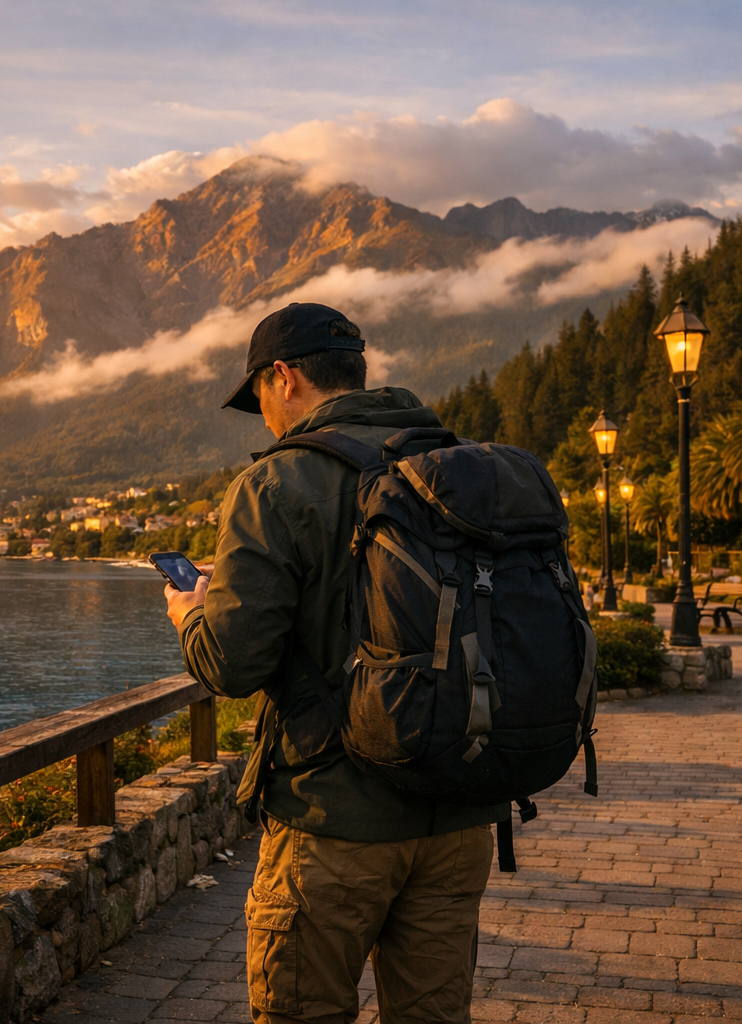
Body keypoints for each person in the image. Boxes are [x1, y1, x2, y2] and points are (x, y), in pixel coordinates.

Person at [163, 302, 506, 1024]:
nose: (262, 417)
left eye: (258, 394)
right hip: (458, 816)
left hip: (334, 824)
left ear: (283, 377)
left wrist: (191, 613)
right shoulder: (454, 464)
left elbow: (230, 665)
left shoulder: (278, 485)